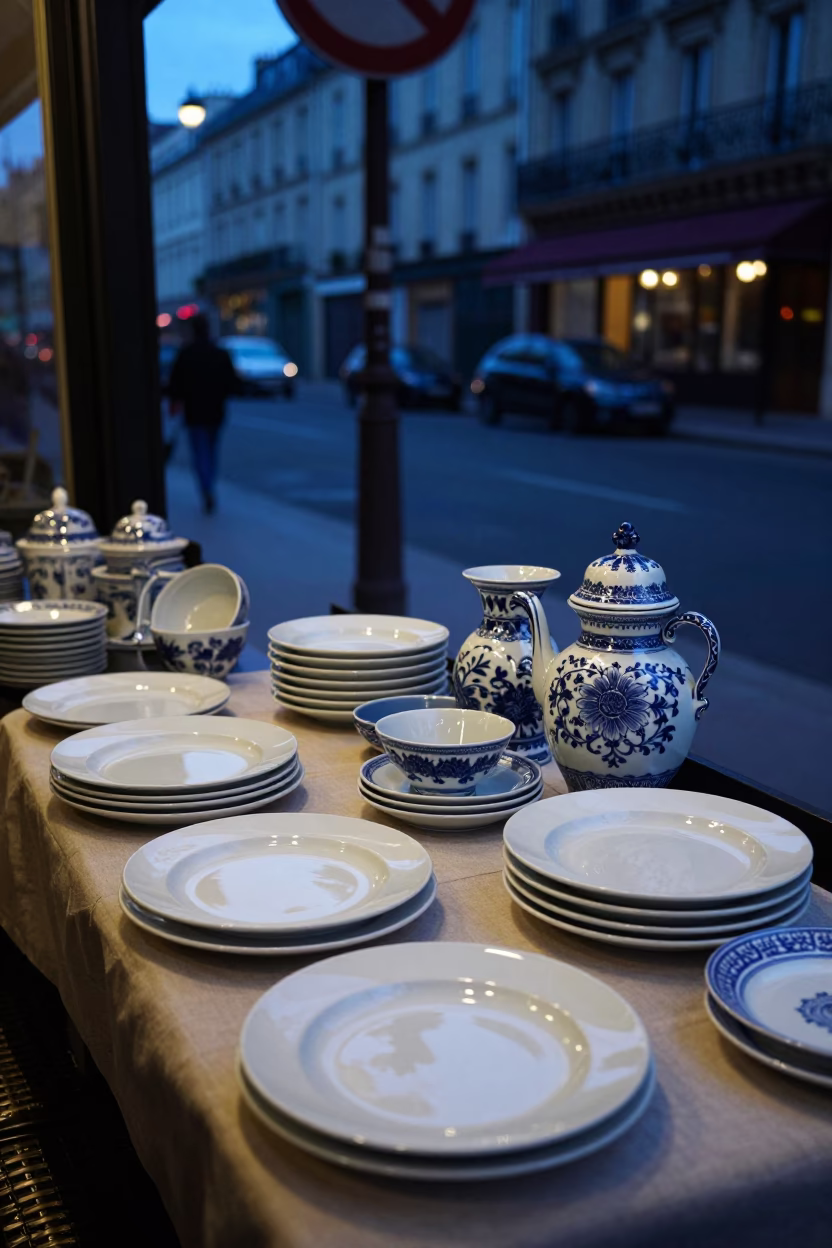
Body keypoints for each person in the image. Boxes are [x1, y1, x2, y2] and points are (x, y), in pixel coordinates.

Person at [168, 315, 238, 514]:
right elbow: (231, 383)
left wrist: (176, 401)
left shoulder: (186, 354)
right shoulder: (219, 353)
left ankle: (206, 486)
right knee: (211, 450)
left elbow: (176, 384)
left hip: (195, 412)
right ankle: (209, 485)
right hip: (215, 411)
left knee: (201, 452)